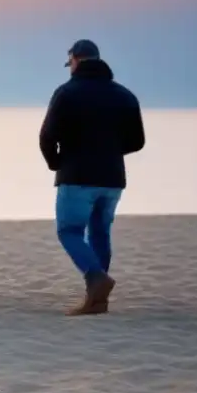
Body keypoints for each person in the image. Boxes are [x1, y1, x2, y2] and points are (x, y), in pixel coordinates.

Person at [40, 40, 145, 316]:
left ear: (75, 60)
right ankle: (97, 301)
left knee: (69, 231)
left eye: (70, 63)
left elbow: (47, 136)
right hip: (112, 176)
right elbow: (137, 141)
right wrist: (109, 151)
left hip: (77, 175)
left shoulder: (66, 93)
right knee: (100, 231)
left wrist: (56, 163)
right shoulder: (124, 95)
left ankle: (96, 279)